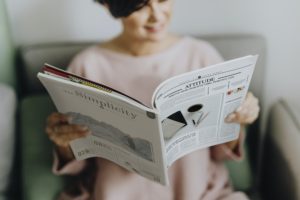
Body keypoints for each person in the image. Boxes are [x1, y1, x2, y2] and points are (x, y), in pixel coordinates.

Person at [46, 0, 260, 199]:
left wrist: (238, 117)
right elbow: (80, 163)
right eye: (141, 6)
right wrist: (63, 142)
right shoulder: (87, 65)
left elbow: (221, 151)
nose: (157, 16)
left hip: (200, 193)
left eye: (162, 0)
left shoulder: (201, 55)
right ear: (109, 5)